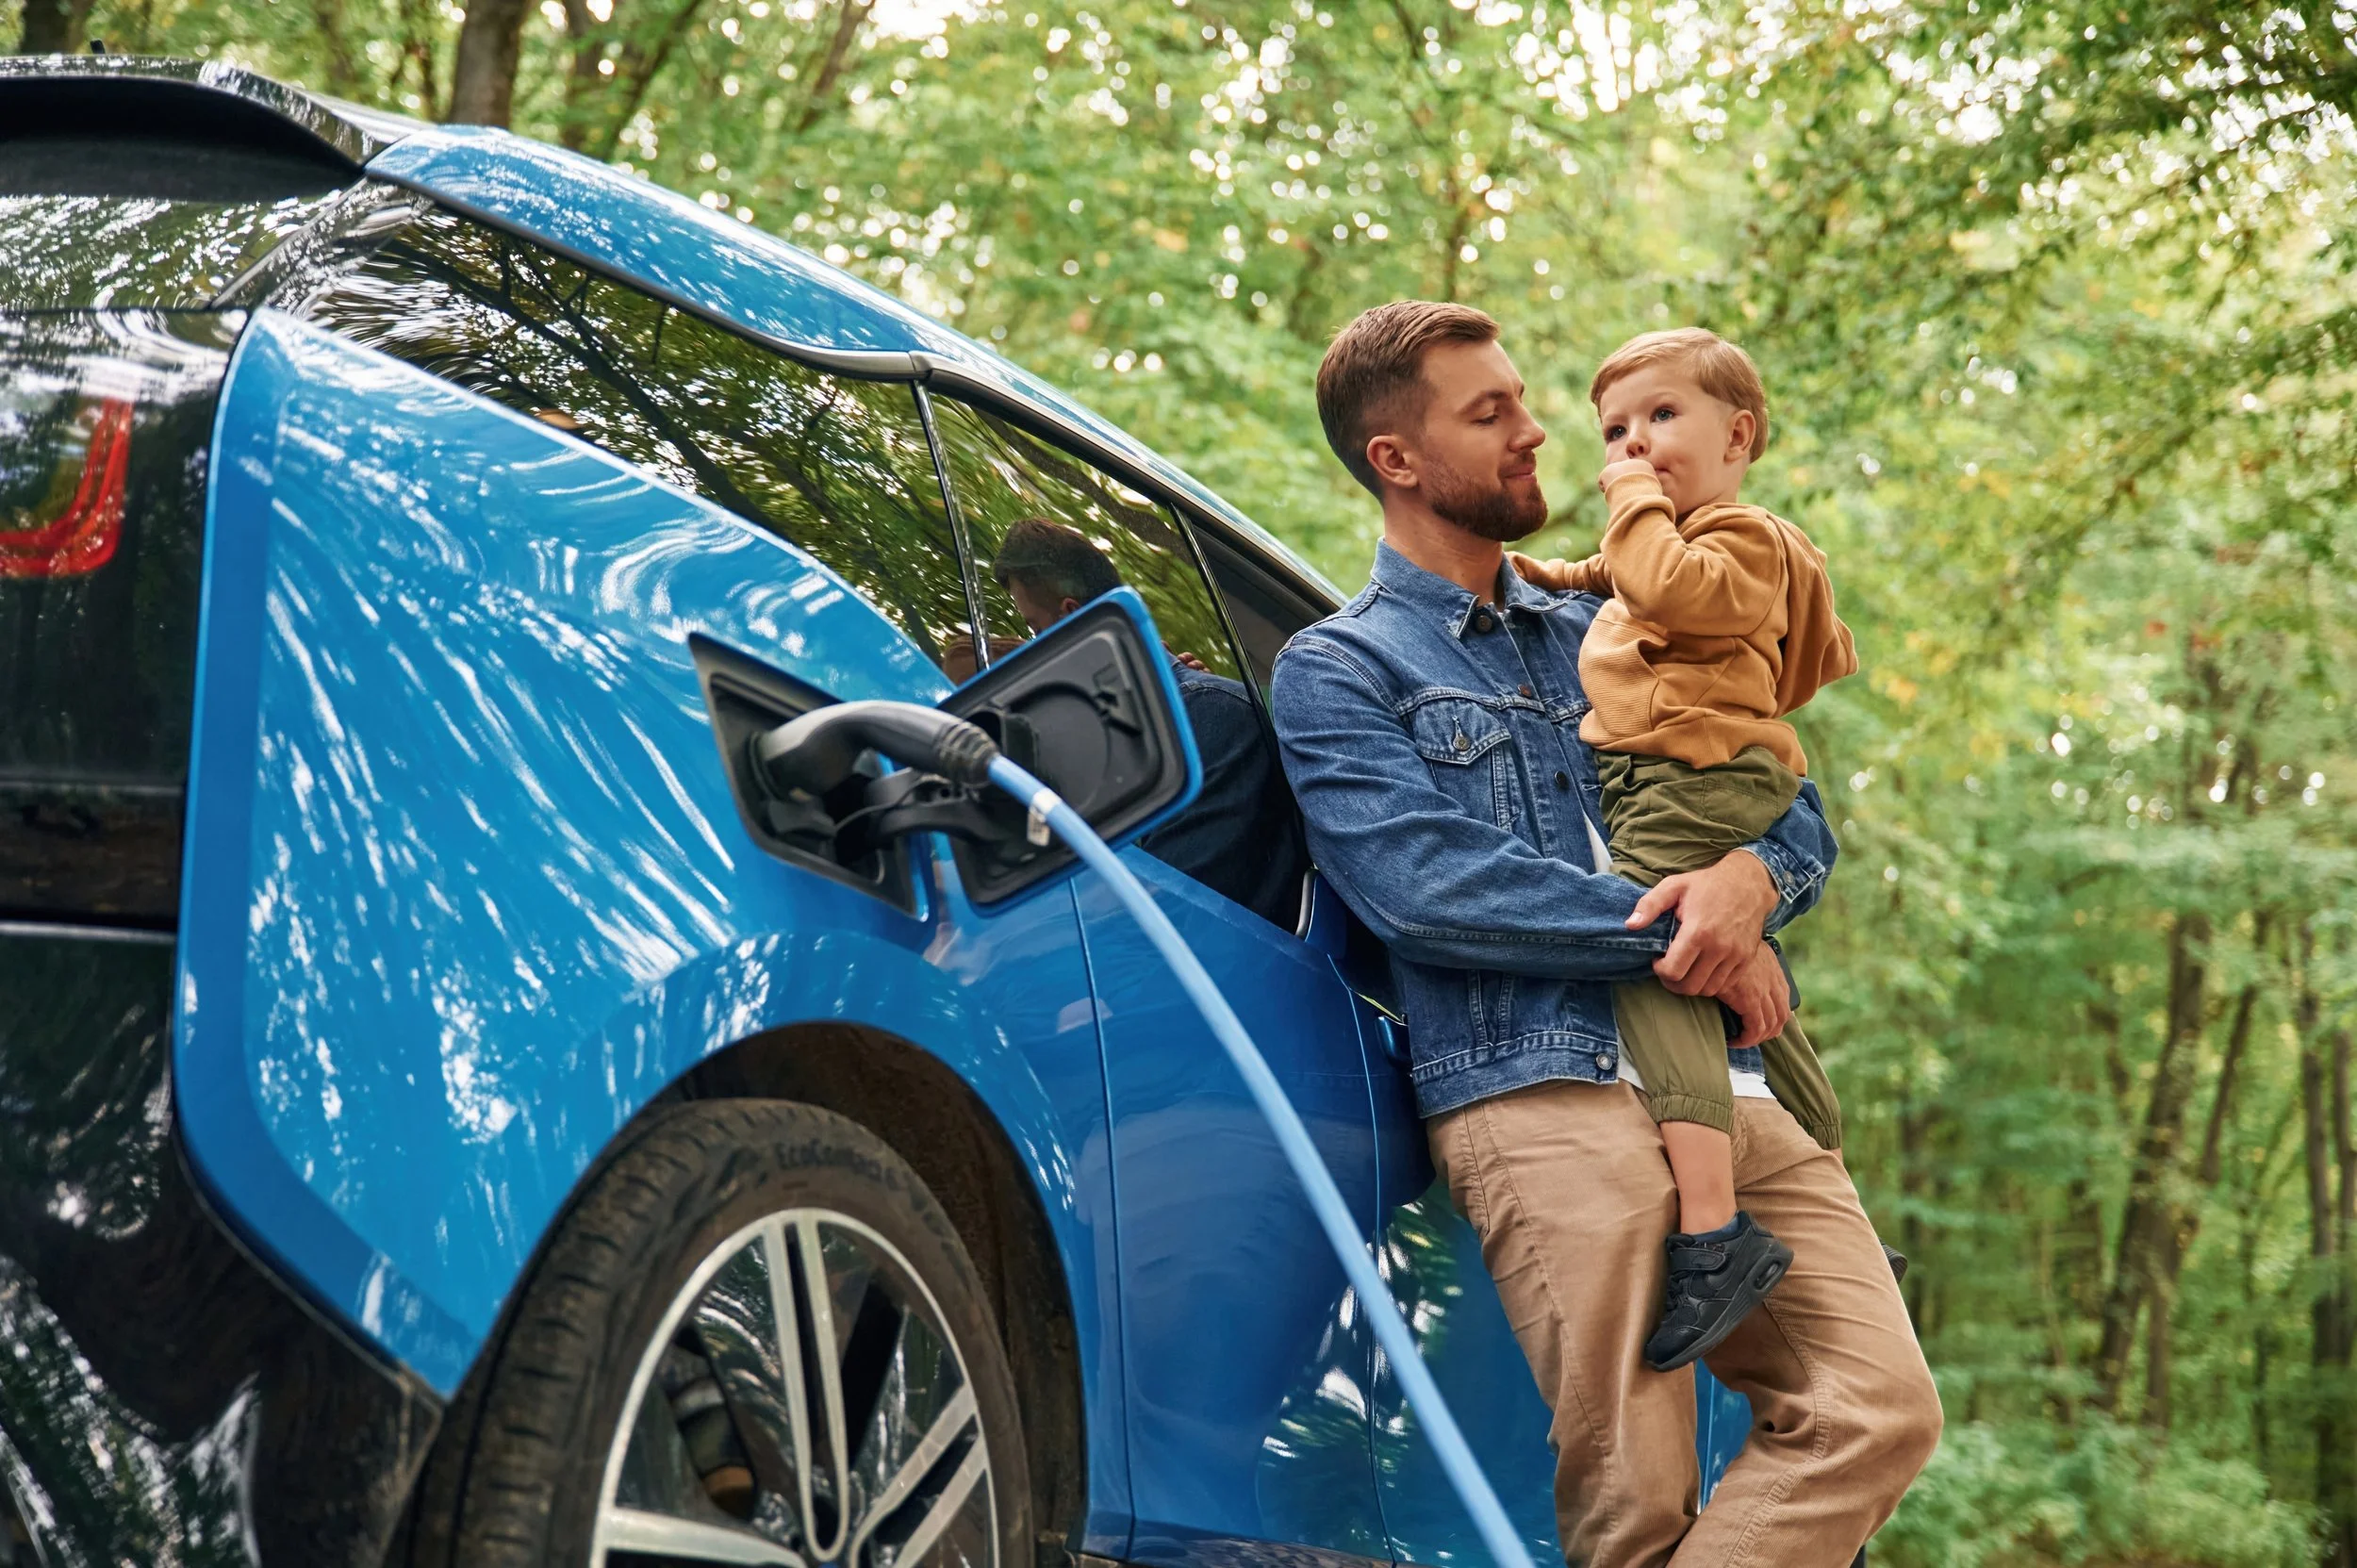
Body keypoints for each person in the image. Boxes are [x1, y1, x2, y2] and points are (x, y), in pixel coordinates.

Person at [1269, 300, 1939, 1567]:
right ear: (1395, 460)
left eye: (1526, 401)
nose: (1539, 434)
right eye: (1491, 414)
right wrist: (1689, 926)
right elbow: (1423, 885)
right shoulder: (1340, 667)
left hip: (1732, 1080)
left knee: (1878, 1410)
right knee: (1634, 1500)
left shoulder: (1612, 618)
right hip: (1539, 1087)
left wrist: (1749, 877)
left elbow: (1789, 808)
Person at [1504, 327, 1862, 1373]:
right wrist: (1541, 573)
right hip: (1674, 779)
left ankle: (1714, 1231)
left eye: (1661, 418)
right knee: (1736, 976)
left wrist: (1627, 500)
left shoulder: (1741, 540)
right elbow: (1616, 581)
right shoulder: (1661, 538)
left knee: (1648, 952)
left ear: (1737, 435)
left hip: (1699, 777)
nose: (1632, 445)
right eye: (1614, 429)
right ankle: (1825, 1177)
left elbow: (1663, 585)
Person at [989, 517, 1308, 929]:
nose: (1033, 652)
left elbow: (1169, 921)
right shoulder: (1092, 745)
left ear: (1070, 618)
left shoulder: (1205, 719)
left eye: (1034, 630)